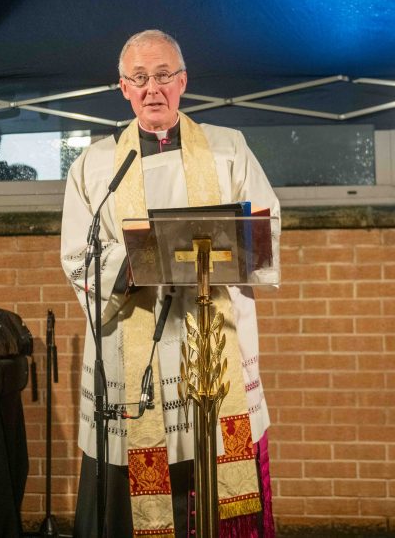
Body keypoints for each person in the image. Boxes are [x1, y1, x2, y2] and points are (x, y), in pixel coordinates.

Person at [60, 29, 279, 537]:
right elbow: (77, 253)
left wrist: (194, 251)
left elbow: (264, 227)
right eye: (139, 78)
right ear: (123, 88)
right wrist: (140, 260)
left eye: (162, 76)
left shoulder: (229, 148)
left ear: (183, 82)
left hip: (211, 337)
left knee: (216, 458)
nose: (151, 88)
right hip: (136, 344)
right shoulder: (95, 165)